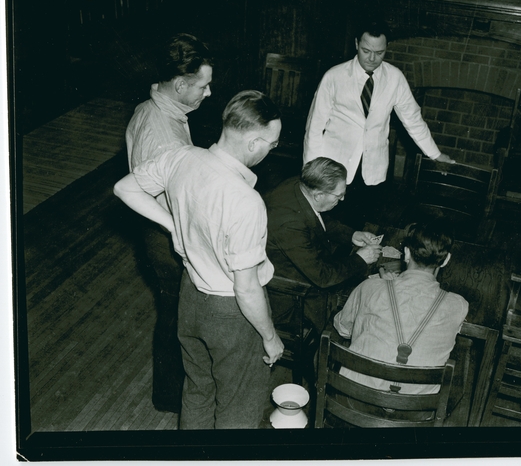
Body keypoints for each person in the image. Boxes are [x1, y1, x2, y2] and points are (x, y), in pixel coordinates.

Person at [114, 90, 284, 429]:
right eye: (272, 143)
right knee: (238, 404)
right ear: (253, 142)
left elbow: (125, 188)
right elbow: (247, 288)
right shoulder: (246, 201)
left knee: (197, 391)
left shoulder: (181, 158)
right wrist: (269, 336)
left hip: (190, 298)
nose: (271, 150)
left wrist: (172, 224)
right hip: (232, 314)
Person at [124, 33, 213, 413]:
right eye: (203, 85)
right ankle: (172, 398)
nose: (209, 93)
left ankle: (170, 392)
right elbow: (148, 193)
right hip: (164, 236)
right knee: (177, 317)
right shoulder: (163, 135)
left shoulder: (154, 107)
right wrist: (180, 229)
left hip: (159, 230)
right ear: (179, 85)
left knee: (172, 312)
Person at [302, 19, 455, 226]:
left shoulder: (395, 78)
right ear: (356, 44)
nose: (372, 58)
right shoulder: (334, 76)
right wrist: (310, 171)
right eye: (366, 51)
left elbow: (413, 119)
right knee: (328, 223)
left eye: (379, 53)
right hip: (334, 165)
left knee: (360, 222)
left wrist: (435, 154)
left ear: (387, 48)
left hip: (372, 167)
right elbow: (314, 126)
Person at [333, 219, 468, 396]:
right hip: (416, 407)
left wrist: (383, 287)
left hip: (354, 395)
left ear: (406, 253)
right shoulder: (458, 305)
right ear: (446, 260)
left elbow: (342, 328)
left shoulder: (370, 287)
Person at [264, 157, 382, 330]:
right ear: (319, 195)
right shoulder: (289, 224)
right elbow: (322, 277)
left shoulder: (301, 185)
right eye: (339, 195)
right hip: (293, 296)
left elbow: (315, 216)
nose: (342, 199)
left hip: (307, 268)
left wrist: (351, 234)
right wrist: (360, 259)